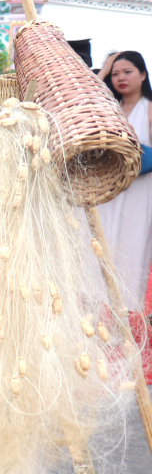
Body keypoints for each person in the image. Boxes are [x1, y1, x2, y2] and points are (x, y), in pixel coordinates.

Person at [99, 51, 152, 311]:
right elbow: (89, 96)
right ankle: (102, 307)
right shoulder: (110, 108)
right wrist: (104, 69)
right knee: (104, 242)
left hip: (141, 189)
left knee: (133, 243)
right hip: (109, 189)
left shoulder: (149, 107)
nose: (120, 78)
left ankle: (127, 312)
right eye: (115, 73)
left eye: (127, 72)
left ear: (143, 75)